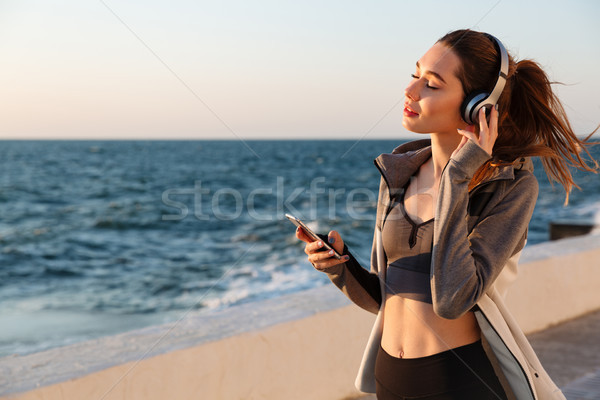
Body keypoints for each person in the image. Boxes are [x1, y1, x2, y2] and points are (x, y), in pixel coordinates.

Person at [295, 29, 597, 400]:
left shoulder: (511, 187)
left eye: (432, 85)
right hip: (390, 378)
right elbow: (387, 300)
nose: (411, 91)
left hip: (457, 383)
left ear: (477, 106)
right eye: (415, 75)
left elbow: (453, 300)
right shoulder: (399, 172)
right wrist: (341, 269)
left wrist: (456, 175)